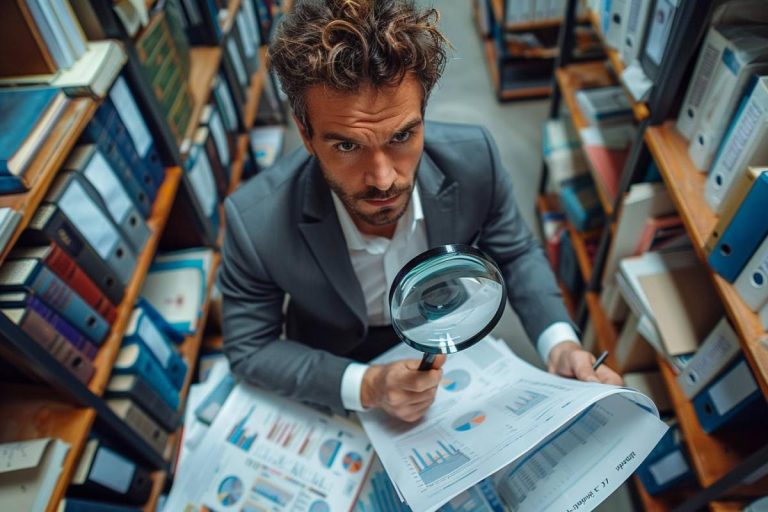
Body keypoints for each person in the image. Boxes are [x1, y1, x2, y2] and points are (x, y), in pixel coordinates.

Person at [218, 0, 622, 423]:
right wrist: (367, 386)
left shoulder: (475, 159)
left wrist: (560, 346)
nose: (383, 179)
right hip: (340, 360)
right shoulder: (254, 222)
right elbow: (250, 348)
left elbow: (516, 254)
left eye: (401, 137)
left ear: (423, 117)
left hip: (450, 337)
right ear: (305, 134)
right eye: (347, 145)